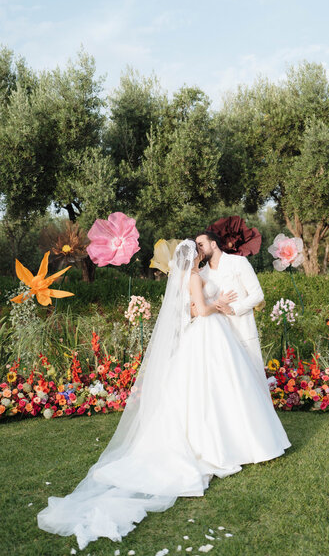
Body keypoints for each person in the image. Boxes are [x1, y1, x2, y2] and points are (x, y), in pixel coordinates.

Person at [38, 240, 290, 550]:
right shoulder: (195, 278)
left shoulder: (187, 277)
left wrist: (216, 302)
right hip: (209, 333)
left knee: (207, 389)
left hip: (203, 337)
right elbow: (201, 311)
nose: (200, 253)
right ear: (193, 258)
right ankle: (229, 440)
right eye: (197, 251)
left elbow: (192, 309)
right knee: (219, 388)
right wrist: (220, 301)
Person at [196, 230, 266, 379]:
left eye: (201, 244)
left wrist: (233, 309)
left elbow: (258, 295)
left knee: (253, 379)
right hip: (218, 337)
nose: (198, 249)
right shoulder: (201, 274)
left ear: (213, 244)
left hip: (242, 331)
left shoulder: (238, 262)